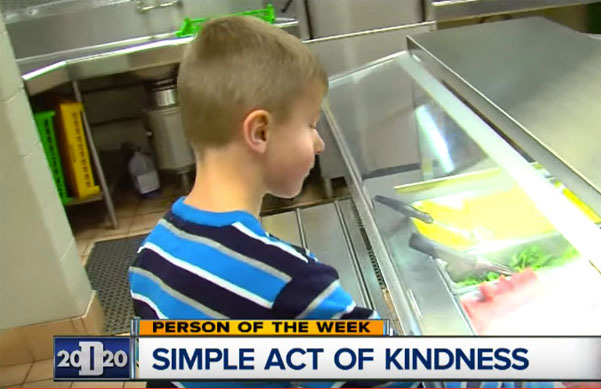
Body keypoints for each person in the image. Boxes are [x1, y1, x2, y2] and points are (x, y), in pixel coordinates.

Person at [128, 15, 417, 388]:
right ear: (260, 131)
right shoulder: (289, 280)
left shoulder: (149, 256)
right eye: (311, 125)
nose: (319, 143)